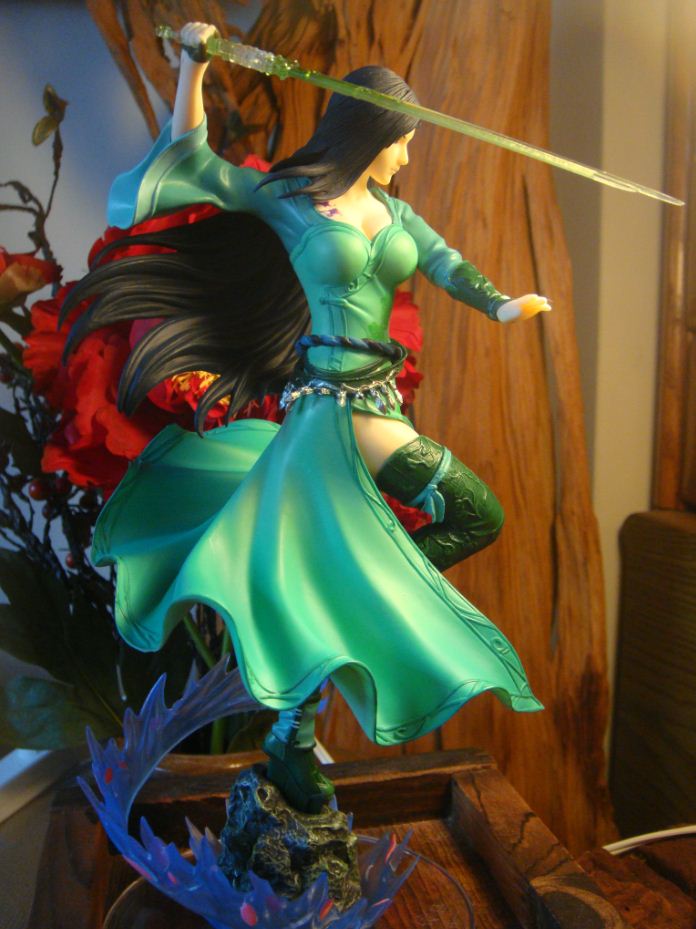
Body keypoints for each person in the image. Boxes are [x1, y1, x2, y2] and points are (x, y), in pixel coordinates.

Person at [65, 22, 548, 814]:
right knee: (458, 516)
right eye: (402, 140)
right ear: (374, 133)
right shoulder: (289, 200)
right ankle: (310, 702)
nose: (407, 156)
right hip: (327, 410)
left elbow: (444, 263)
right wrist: (191, 66)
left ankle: (324, 673)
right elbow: (195, 162)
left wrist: (501, 305)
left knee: (473, 515)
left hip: (380, 404)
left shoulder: (394, 213)